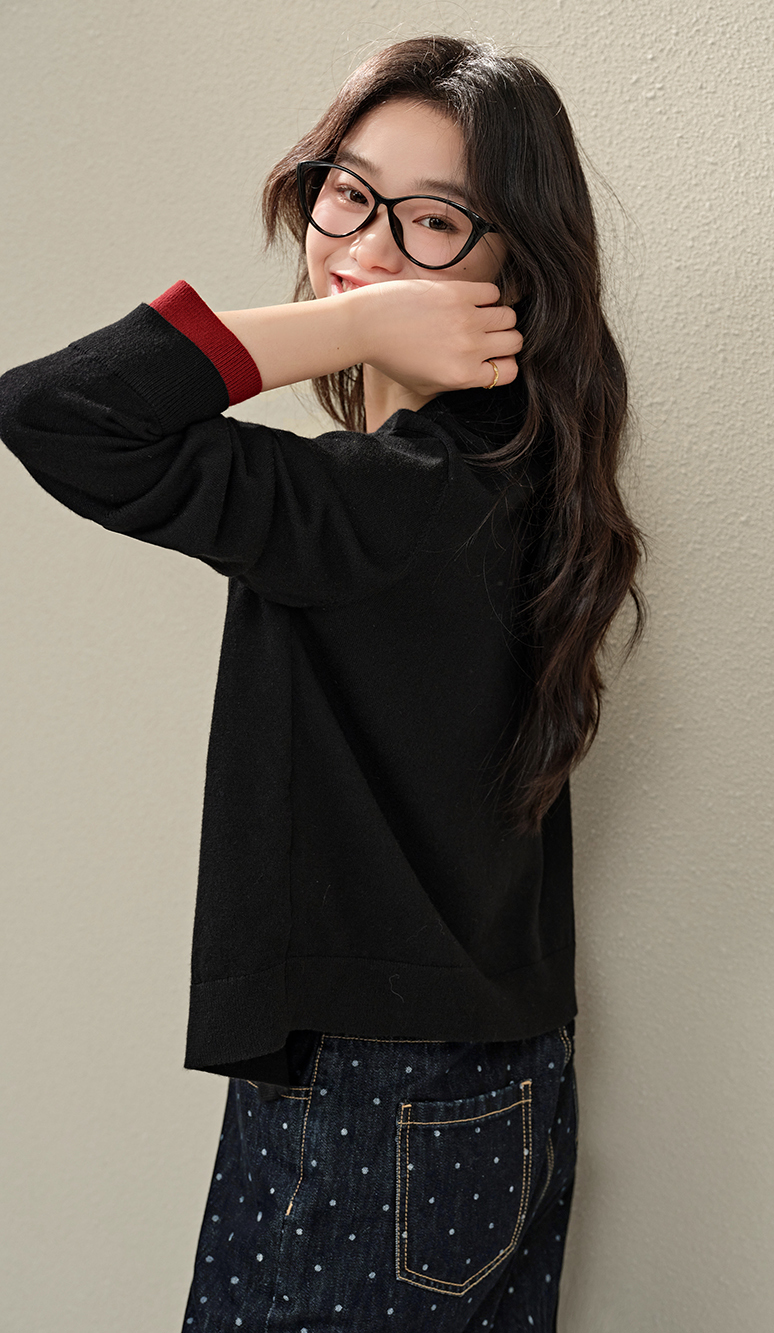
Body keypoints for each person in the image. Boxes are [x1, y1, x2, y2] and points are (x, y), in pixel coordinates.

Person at [0, 34, 644, 1332]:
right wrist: (360, 325)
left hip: (376, 1095)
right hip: (490, 1076)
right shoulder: (507, 473)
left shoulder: (394, 500)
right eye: (346, 193)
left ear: (514, 266)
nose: (364, 244)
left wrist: (341, 323)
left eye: (433, 221)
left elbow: (53, 410)